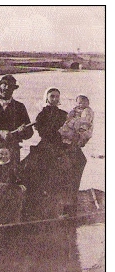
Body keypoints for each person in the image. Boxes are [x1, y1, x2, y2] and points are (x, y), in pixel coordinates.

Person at [22, 87, 86, 219]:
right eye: (52, 96)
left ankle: (69, 203)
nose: (55, 99)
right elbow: (44, 133)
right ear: (46, 98)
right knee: (35, 169)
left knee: (79, 160)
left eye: (57, 97)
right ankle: (37, 205)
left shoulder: (65, 114)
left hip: (63, 145)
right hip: (48, 145)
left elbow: (72, 128)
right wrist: (58, 133)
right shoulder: (42, 115)